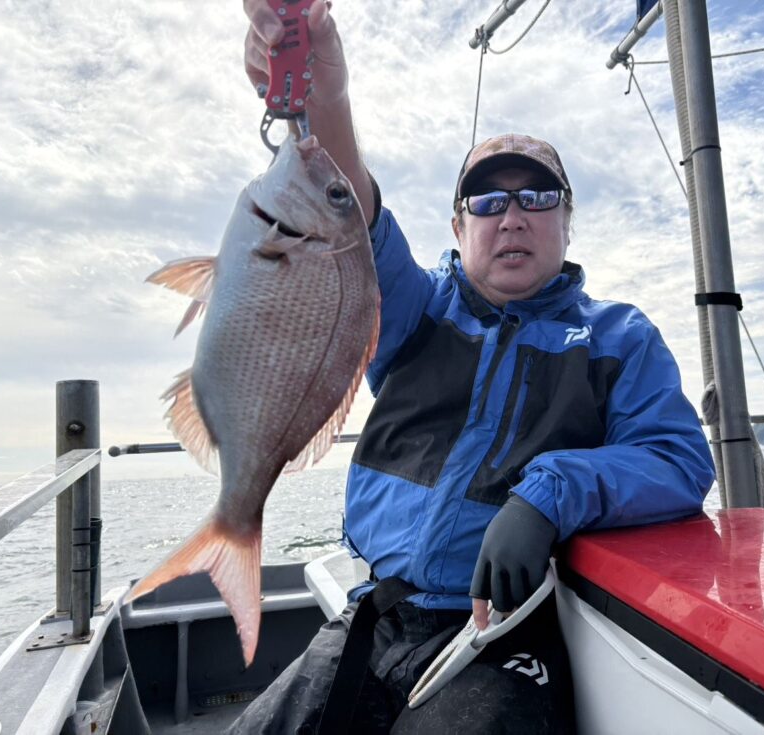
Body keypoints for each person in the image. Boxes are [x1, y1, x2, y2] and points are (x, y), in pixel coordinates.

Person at [230, 2, 716, 733]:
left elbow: (678, 460)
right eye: (488, 200)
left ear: (566, 221)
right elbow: (346, 209)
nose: (512, 215)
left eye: (537, 196)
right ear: (458, 228)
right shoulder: (413, 307)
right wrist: (321, 87)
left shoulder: (619, 336)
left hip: (503, 632)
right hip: (375, 616)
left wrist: (548, 494)